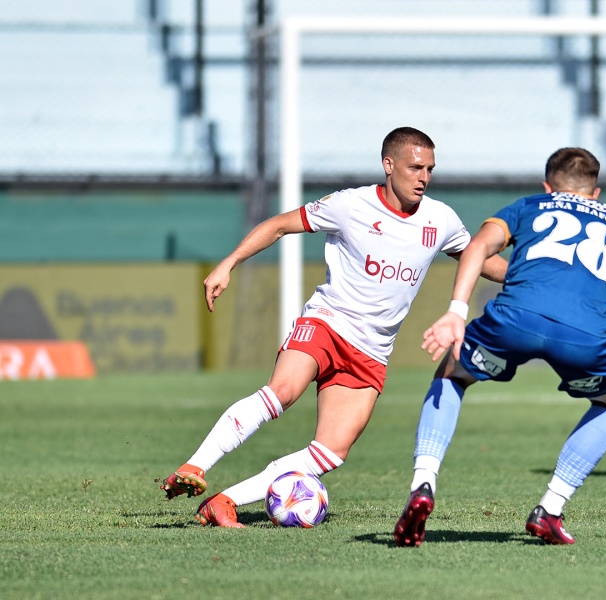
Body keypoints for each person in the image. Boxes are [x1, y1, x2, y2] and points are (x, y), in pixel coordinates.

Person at [160, 126, 507, 527]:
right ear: (388, 165)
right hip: (327, 321)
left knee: (330, 452)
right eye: (415, 167)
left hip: (372, 349)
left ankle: (224, 501)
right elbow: (278, 225)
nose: (423, 177)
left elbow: (480, 259)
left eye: (430, 168)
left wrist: (528, 277)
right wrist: (229, 263)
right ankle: (195, 466)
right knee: (283, 392)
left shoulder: (440, 218)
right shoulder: (350, 205)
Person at [393, 147, 606, 546]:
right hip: (585, 338)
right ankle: (550, 509)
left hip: (515, 320)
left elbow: (478, 247)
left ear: (548, 187)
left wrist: (456, 311)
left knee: (453, 372)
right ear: (596, 193)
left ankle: (423, 484)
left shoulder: (530, 205)